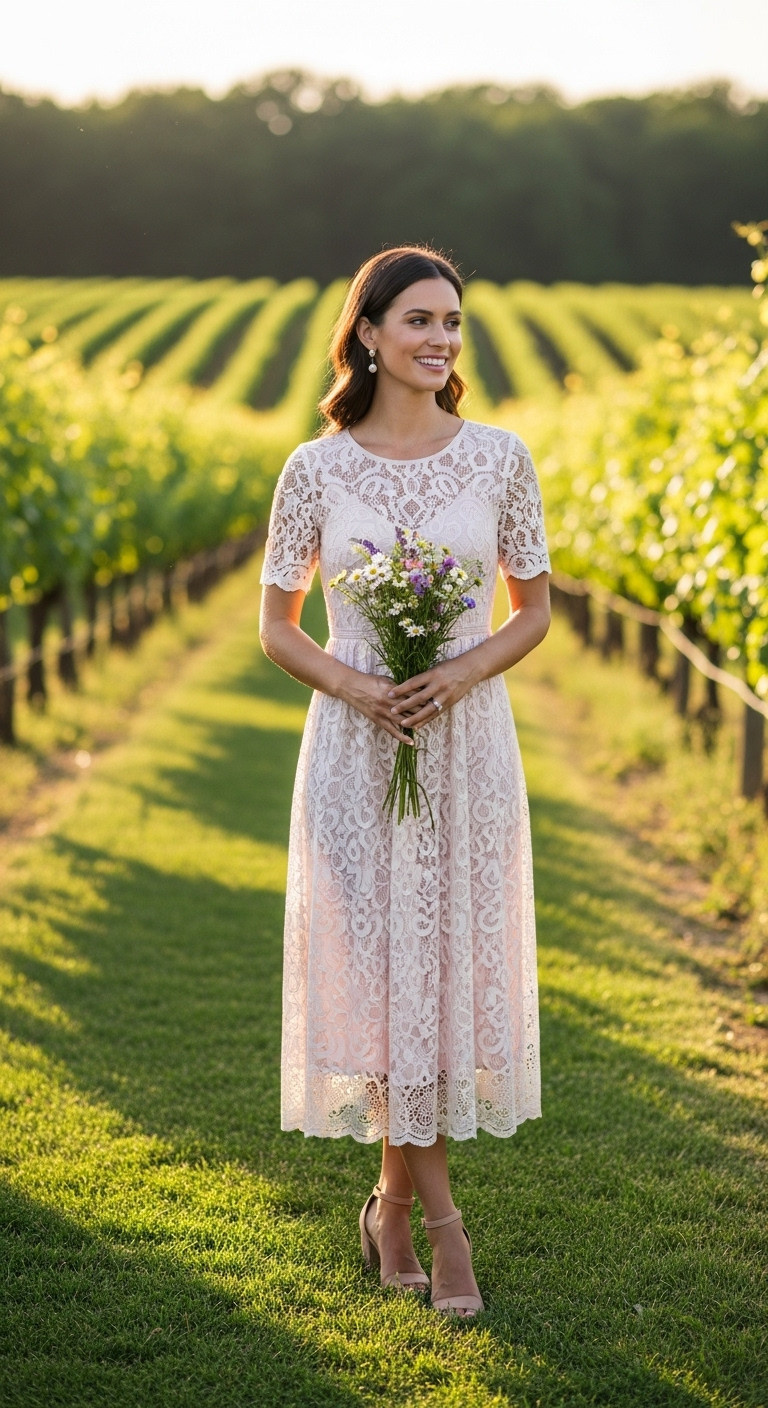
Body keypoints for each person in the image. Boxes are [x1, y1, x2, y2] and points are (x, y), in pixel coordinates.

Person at [259, 245, 551, 1318]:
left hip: (467, 747)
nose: (440, 341)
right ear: (368, 333)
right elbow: (275, 627)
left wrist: (457, 673)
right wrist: (362, 688)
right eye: (419, 321)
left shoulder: (502, 458)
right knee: (382, 978)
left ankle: (390, 1204)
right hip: (355, 747)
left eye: (453, 324)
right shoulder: (316, 470)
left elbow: (533, 610)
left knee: (435, 973)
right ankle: (439, 1223)